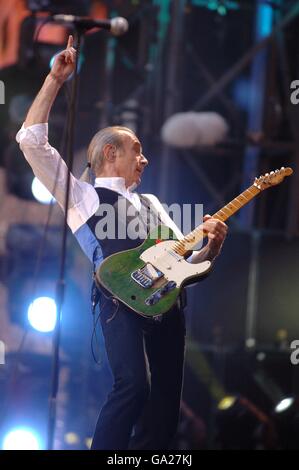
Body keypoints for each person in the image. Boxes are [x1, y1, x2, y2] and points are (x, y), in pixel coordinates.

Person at [16, 36, 228, 450]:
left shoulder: (153, 204)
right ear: (110, 153)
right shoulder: (83, 195)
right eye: (137, 150)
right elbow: (31, 142)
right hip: (120, 303)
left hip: (168, 305)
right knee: (133, 385)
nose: (145, 159)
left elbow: (188, 266)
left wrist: (213, 247)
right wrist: (55, 81)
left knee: (166, 405)